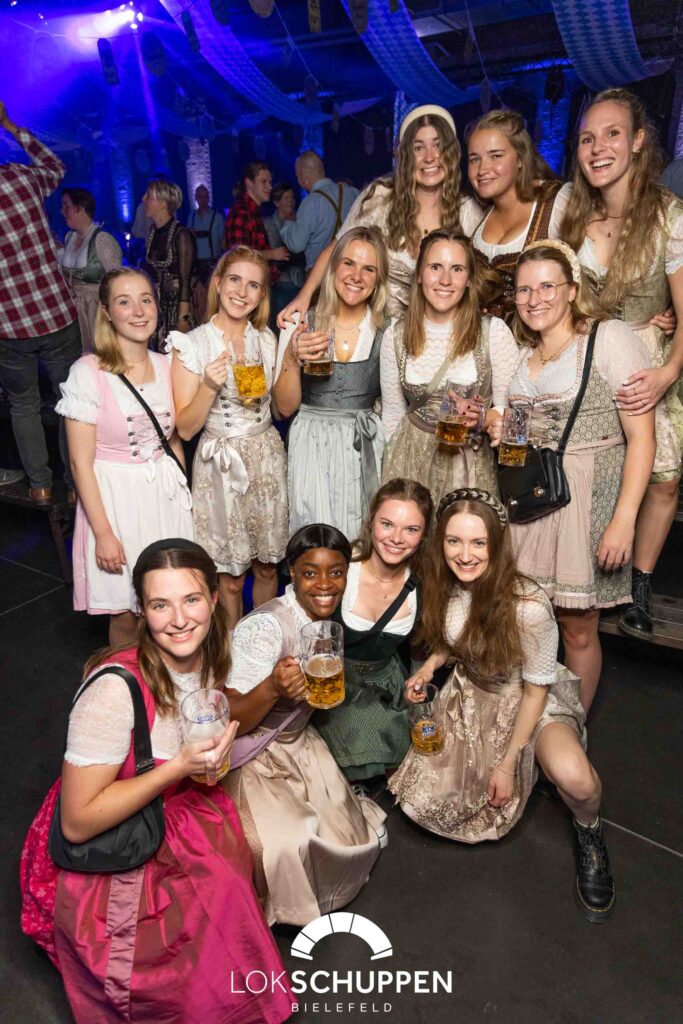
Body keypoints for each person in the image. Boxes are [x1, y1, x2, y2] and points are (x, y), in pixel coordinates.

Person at [20, 538, 293, 1024]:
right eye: (160, 605)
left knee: (233, 882)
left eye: (191, 600)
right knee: (180, 961)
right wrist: (178, 767)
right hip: (114, 841)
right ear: (142, 611)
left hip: (180, 806)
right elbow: (78, 823)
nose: (179, 619)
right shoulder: (112, 690)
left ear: (214, 599)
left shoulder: (209, 654)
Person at [389, 489, 615, 924]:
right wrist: (430, 667)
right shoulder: (446, 586)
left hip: (530, 700)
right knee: (431, 800)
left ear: (496, 543)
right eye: (454, 541)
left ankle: (590, 831)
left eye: (478, 542)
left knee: (577, 780)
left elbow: (535, 691)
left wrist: (508, 764)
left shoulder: (528, 606)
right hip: (472, 695)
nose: (465, 555)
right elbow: (456, 640)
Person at [556, 88, 683, 640]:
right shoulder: (571, 210)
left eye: (612, 134)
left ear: (637, 142)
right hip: (585, 356)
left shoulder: (669, 215)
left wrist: (667, 373)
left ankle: (642, 580)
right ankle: (580, 571)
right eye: (588, 138)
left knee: (663, 476)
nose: (598, 147)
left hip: (648, 360)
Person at [506, 241, 655, 710]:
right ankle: (525, 723)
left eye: (547, 286)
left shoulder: (607, 339)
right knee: (525, 619)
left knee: (577, 627)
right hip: (532, 499)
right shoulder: (522, 355)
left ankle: (572, 726)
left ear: (572, 290)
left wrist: (624, 521)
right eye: (524, 290)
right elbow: (519, 437)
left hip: (585, 501)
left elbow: (642, 439)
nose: (534, 299)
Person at [224, 524, 386, 926]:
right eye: (310, 573)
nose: (325, 584)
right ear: (292, 573)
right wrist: (272, 688)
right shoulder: (264, 628)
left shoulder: (329, 618)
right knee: (289, 845)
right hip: (255, 751)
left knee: (349, 839)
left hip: (300, 740)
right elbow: (231, 718)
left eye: (336, 572)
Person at [56, 268, 192, 646]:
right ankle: (126, 680)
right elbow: (80, 464)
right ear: (107, 312)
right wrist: (103, 533)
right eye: (124, 302)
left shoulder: (167, 365)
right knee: (126, 615)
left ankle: (171, 676)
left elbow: (173, 440)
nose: (138, 311)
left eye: (145, 300)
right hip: (116, 502)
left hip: (165, 499)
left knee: (173, 603)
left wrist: (185, 498)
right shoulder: (87, 372)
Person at [278, 105, 484, 324]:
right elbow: (337, 247)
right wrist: (304, 295)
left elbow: (482, 279)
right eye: (418, 148)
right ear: (406, 156)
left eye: (438, 145)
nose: (429, 157)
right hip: (380, 327)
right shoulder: (381, 197)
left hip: (444, 329)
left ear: (450, 152)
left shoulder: (467, 212)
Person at [171, 247, 288, 630]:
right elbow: (185, 429)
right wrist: (208, 385)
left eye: (253, 285)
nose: (242, 291)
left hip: (266, 457)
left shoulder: (266, 340)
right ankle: (232, 654)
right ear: (218, 284)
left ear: (261, 295)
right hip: (220, 466)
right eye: (234, 279)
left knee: (267, 567)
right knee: (232, 578)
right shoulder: (192, 343)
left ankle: (264, 646)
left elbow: (280, 409)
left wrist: (292, 360)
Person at [380, 230, 519, 506]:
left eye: (457, 269)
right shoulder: (395, 336)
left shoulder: (493, 332)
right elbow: (392, 417)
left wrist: (481, 419)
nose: (445, 280)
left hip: (469, 468)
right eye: (435, 267)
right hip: (410, 463)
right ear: (419, 275)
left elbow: (512, 413)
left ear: (469, 280)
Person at [314, 478, 433, 782]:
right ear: (371, 522)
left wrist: (422, 673)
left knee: (423, 751)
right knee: (352, 740)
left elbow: (441, 638)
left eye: (411, 529)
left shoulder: (424, 580)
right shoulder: (342, 567)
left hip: (387, 683)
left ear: (424, 535)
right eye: (387, 524)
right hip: (339, 681)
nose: (396, 539)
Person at [274, 226, 388, 539]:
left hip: (363, 446)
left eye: (368, 269)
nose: (356, 276)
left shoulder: (388, 330)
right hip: (310, 444)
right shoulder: (301, 322)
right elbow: (284, 409)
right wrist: (292, 356)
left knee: (361, 538)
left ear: (378, 278)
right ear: (333, 267)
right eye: (348, 263)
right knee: (314, 540)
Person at [0, 99, 81, 504]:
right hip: (56, 314)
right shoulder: (21, 178)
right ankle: (75, 483)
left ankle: (40, 484)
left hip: (9, 326)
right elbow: (55, 166)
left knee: (23, 405)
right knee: (72, 401)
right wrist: (12, 126)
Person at [466, 109, 564, 317]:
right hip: (484, 334)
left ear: (520, 158)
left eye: (496, 156)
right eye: (474, 159)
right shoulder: (473, 213)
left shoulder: (555, 203)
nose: (482, 169)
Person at [59, 186, 122, 351]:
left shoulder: (102, 240)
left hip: (96, 310)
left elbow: (119, 282)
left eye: (66, 205)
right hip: (75, 310)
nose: (62, 210)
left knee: (100, 352)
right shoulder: (70, 238)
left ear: (80, 208)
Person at [279, 150, 359, 271]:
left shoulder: (310, 202)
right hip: (349, 270)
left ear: (304, 176)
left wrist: (287, 225)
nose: (298, 181)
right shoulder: (353, 192)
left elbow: (296, 244)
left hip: (319, 274)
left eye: (298, 175)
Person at [142, 177, 197, 345]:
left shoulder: (182, 235)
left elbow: (186, 281)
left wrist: (183, 319)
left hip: (176, 308)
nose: (143, 199)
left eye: (149, 196)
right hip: (157, 308)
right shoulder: (153, 232)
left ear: (162, 203)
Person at [223, 162, 289, 286]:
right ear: (249, 183)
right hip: (245, 287)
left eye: (270, 182)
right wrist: (272, 254)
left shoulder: (253, 211)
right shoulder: (241, 212)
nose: (270, 187)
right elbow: (239, 255)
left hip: (257, 284)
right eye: (264, 182)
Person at [264, 181, 305, 290]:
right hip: (281, 281)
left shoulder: (301, 220)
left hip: (302, 279)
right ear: (276, 203)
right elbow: (278, 251)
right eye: (286, 198)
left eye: (292, 197)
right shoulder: (269, 223)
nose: (290, 201)